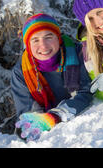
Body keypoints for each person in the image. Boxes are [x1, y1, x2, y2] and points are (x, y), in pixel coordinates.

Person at [10, 13, 93, 142]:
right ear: (28, 45)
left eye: (48, 37)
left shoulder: (78, 53)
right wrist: (36, 120)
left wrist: (56, 115)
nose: (43, 45)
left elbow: (87, 92)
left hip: (81, 124)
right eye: (35, 40)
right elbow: (27, 110)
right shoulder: (21, 72)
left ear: (58, 38)